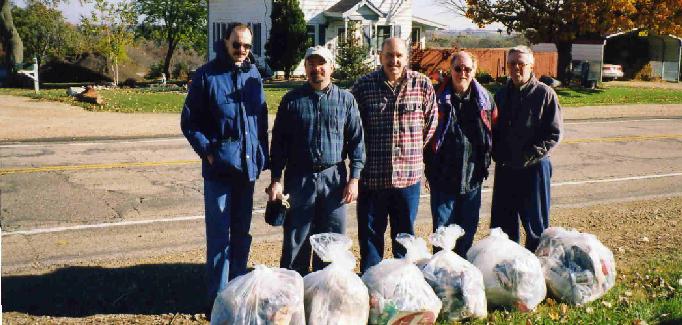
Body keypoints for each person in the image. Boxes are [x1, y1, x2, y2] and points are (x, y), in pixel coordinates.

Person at [180, 23, 269, 311]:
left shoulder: (253, 75)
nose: (241, 50)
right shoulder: (207, 75)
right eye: (236, 44)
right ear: (226, 42)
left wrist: (261, 155)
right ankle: (218, 301)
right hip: (219, 172)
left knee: (241, 235)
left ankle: (238, 294)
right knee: (220, 237)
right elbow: (189, 122)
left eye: (246, 46)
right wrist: (208, 152)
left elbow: (260, 120)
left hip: (247, 171)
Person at [267, 45, 365, 275]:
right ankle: (295, 292)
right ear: (306, 67)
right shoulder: (292, 101)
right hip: (299, 178)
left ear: (331, 67)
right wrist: (275, 179)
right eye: (311, 63)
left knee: (331, 240)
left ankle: (326, 294)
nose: (316, 68)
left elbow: (357, 142)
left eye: (321, 63)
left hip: (334, 179)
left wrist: (355, 178)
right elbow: (279, 144)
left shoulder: (346, 100)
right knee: (296, 238)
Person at [351, 38, 438, 272]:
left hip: (408, 179)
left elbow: (431, 124)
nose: (394, 60)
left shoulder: (422, 85)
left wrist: (412, 151)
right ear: (380, 56)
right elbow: (352, 127)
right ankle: (371, 286)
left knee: (404, 239)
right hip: (372, 178)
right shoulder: (363, 86)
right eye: (389, 55)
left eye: (399, 55)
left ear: (406, 57)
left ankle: (403, 287)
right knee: (370, 239)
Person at [490, 45, 563, 252]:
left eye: (521, 64)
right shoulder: (501, 96)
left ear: (531, 66)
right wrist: (497, 153)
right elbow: (493, 131)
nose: (516, 68)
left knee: (536, 226)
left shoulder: (544, 95)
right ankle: (509, 271)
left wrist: (529, 156)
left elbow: (554, 134)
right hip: (506, 168)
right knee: (503, 225)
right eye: (512, 64)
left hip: (535, 169)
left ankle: (537, 272)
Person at [424, 50, 496, 257]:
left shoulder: (485, 100)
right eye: (458, 68)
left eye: (467, 69)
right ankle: (441, 274)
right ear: (450, 70)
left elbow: (494, 132)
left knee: (467, 230)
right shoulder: (435, 98)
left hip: (472, 177)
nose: (462, 73)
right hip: (442, 178)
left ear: (475, 71)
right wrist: (430, 169)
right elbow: (425, 136)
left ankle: (463, 270)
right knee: (443, 231)